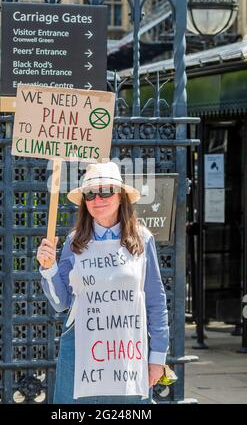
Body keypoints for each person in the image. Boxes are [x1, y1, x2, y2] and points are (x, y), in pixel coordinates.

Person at [37, 162, 169, 404]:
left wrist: (157, 357)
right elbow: (61, 302)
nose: (97, 199)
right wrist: (49, 268)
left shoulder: (143, 239)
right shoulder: (73, 242)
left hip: (128, 349)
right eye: (90, 193)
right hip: (81, 349)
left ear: (121, 196)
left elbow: (155, 300)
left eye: (106, 191)